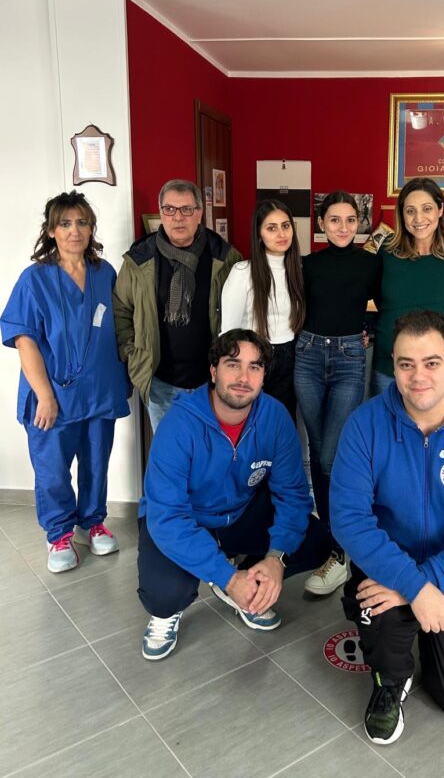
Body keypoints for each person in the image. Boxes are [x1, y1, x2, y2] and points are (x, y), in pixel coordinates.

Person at [331, 310, 444, 744]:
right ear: (393, 366)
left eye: (431, 363)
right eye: (406, 364)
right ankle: (390, 680)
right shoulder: (364, 425)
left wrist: (426, 583)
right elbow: (349, 518)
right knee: (378, 616)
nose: (419, 377)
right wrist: (413, 587)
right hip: (387, 569)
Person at [137, 328, 330, 661]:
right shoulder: (179, 425)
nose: (243, 377)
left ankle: (250, 586)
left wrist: (275, 560)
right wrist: (226, 577)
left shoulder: (275, 418)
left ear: (264, 375)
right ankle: (220, 582)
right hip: (185, 521)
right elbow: (167, 517)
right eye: (233, 364)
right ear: (213, 371)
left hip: (239, 514)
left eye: (255, 367)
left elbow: (292, 496)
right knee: (164, 597)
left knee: (316, 541)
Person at [1, 192, 129, 572]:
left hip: (99, 390)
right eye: (66, 223)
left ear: (91, 228)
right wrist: (44, 395)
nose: (75, 231)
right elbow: (24, 340)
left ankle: (93, 522)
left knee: (96, 463)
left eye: (82, 222)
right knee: (53, 469)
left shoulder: (105, 273)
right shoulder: (35, 279)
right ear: (51, 230)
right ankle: (58, 533)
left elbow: (120, 326)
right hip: (53, 393)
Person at [294, 191, 381, 596]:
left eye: (350, 220)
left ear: (359, 224)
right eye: (334, 220)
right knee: (316, 449)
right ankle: (332, 539)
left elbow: (385, 304)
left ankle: (341, 543)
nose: (343, 227)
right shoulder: (307, 264)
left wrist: (369, 330)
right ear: (321, 224)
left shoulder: (371, 263)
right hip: (308, 354)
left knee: (331, 454)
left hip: (349, 358)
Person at [113, 178, 241, 432]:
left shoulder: (224, 257)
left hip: (212, 382)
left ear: (199, 213)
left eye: (186, 209)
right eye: (170, 209)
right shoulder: (139, 260)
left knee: (211, 449)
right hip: (161, 384)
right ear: (161, 212)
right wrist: (133, 353)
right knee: (169, 452)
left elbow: (243, 312)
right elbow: (121, 309)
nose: (178, 217)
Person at [371, 177, 444, 395]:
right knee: (388, 418)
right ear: (402, 214)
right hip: (390, 365)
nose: (418, 218)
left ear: (440, 210)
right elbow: (379, 298)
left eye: (427, 209)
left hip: (438, 367)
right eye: (410, 211)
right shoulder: (388, 251)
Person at [220, 200, 304, 419]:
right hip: (253, 358)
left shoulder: (298, 271)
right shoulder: (242, 272)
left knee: (283, 423)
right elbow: (228, 332)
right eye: (271, 228)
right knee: (252, 423)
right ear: (259, 235)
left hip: (291, 357)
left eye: (285, 226)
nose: (281, 234)